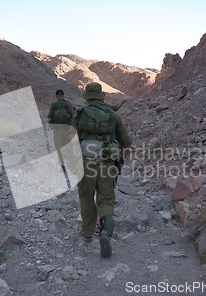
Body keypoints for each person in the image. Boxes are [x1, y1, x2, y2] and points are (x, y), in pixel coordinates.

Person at [68, 82, 132, 258]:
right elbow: (127, 143)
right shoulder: (112, 115)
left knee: (86, 197)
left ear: (87, 98)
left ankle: (88, 234)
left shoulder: (79, 114)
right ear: (102, 97)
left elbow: (71, 139)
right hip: (107, 164)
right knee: (106, 199)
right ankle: (105, 233)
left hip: (85, 164)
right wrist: (121, 160)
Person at [47, 89, 75, 167]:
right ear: (63, 96)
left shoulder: (54, 105)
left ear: (56, 96)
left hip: (57, 129)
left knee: (59, 147)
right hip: (67, 128)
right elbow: (74, 115)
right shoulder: (68, 104)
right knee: (68, 146)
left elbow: (49, 117)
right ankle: (70, 163)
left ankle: (62, 164)